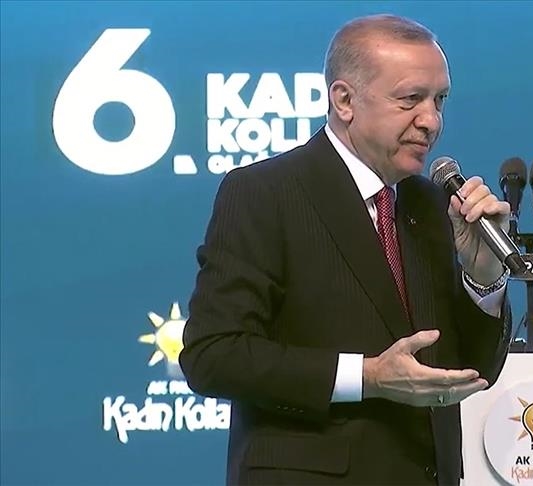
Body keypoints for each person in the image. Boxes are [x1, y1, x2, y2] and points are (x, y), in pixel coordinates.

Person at [179, 13, 513, 486]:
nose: (431, 121)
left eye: (440, 100)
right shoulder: (266, 193)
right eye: (410, 99)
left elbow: (472, 372)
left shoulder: (433, 204)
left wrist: (483, 278)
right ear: (344, 100)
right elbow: (213, 356)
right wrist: (367, 377)